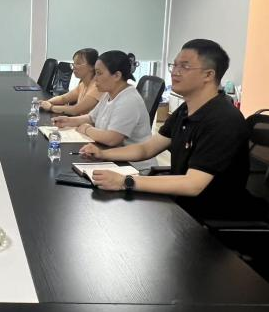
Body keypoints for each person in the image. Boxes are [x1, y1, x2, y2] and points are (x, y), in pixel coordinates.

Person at [79, 39, 266, 221]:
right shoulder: (186, 110)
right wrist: (103, 154)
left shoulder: (223, 119)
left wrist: (124, 181)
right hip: (180, 205)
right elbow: (146, 149)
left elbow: (193, 184)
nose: (175, 72)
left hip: (210, 217)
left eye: (184, 66)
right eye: (174, 65)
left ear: (208, 75)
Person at [52, 50, 153, 170]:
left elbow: (112, 139)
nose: (95, 78)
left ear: (117, 76)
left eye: (99, 73)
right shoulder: (109, 93)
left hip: (133, 167)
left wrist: (86, 129)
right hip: (111, 157)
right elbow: (91, 117)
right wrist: (69, 121)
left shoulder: (129, 100)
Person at [40, 48, 102, 116]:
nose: (74, 67)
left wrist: (51, 107)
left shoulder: (97, 87)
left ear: (92, 66)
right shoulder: (83, 84)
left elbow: (75, 110)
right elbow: (63, 98)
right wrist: (45, 102)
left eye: (78, 63)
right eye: (74, 63)